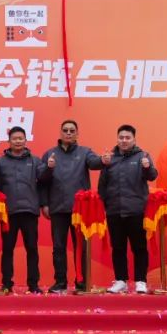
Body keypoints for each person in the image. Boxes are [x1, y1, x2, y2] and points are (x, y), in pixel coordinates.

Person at [40, 119, 104, 293]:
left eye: (72, 130)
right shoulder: (50, 154)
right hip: (57, 208)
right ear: (60, 133)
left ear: (77, 134)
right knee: (58, 247)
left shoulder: (85, 152)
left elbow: (95, 163)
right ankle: (60, 282)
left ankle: (82, 282)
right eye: (65, 130)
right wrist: (44, 203)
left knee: (81, 247)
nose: (68, 133)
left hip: (80, 210)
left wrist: (104, 160)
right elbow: (42, 181)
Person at [97, 125, 158, 294]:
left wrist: (147, 167)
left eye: (127, 138)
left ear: (134, 140)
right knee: (118, 248)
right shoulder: (110, 158)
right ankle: (121, 280)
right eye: (121, 137)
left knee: (139, 247)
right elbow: (102, 185)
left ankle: (140, 281)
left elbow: (152, 176)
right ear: (117, 139)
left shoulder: (143, 157)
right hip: (114, 211)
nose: (124, 140)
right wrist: (106, 205)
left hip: (136, 210)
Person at [0, 126, 46, 293]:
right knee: (7, 249)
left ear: (26, 140)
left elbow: (44, 178)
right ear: (9, 141)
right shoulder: (0, 162)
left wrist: (50, 168)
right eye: (14, 139)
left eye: (21, 138)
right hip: (8, 212)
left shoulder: (35, 160)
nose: (18, 141)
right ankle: (6, 283)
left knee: (32, 248)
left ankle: (33, 284)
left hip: (29, 211)